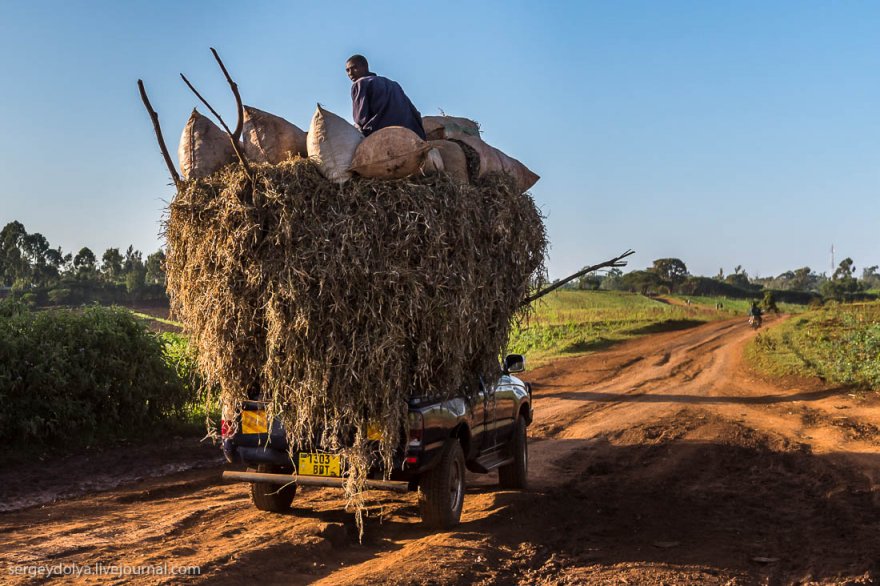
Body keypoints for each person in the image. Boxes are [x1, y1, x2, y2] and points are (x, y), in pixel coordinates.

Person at [345, 54, 426, 140]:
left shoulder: (360, 83)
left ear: (365, 66)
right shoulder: (393, 84)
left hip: (381, 132)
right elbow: (414, 112)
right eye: (347, 70)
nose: (350, 73)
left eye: (354, 68)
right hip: (412, 132)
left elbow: (360, 118)